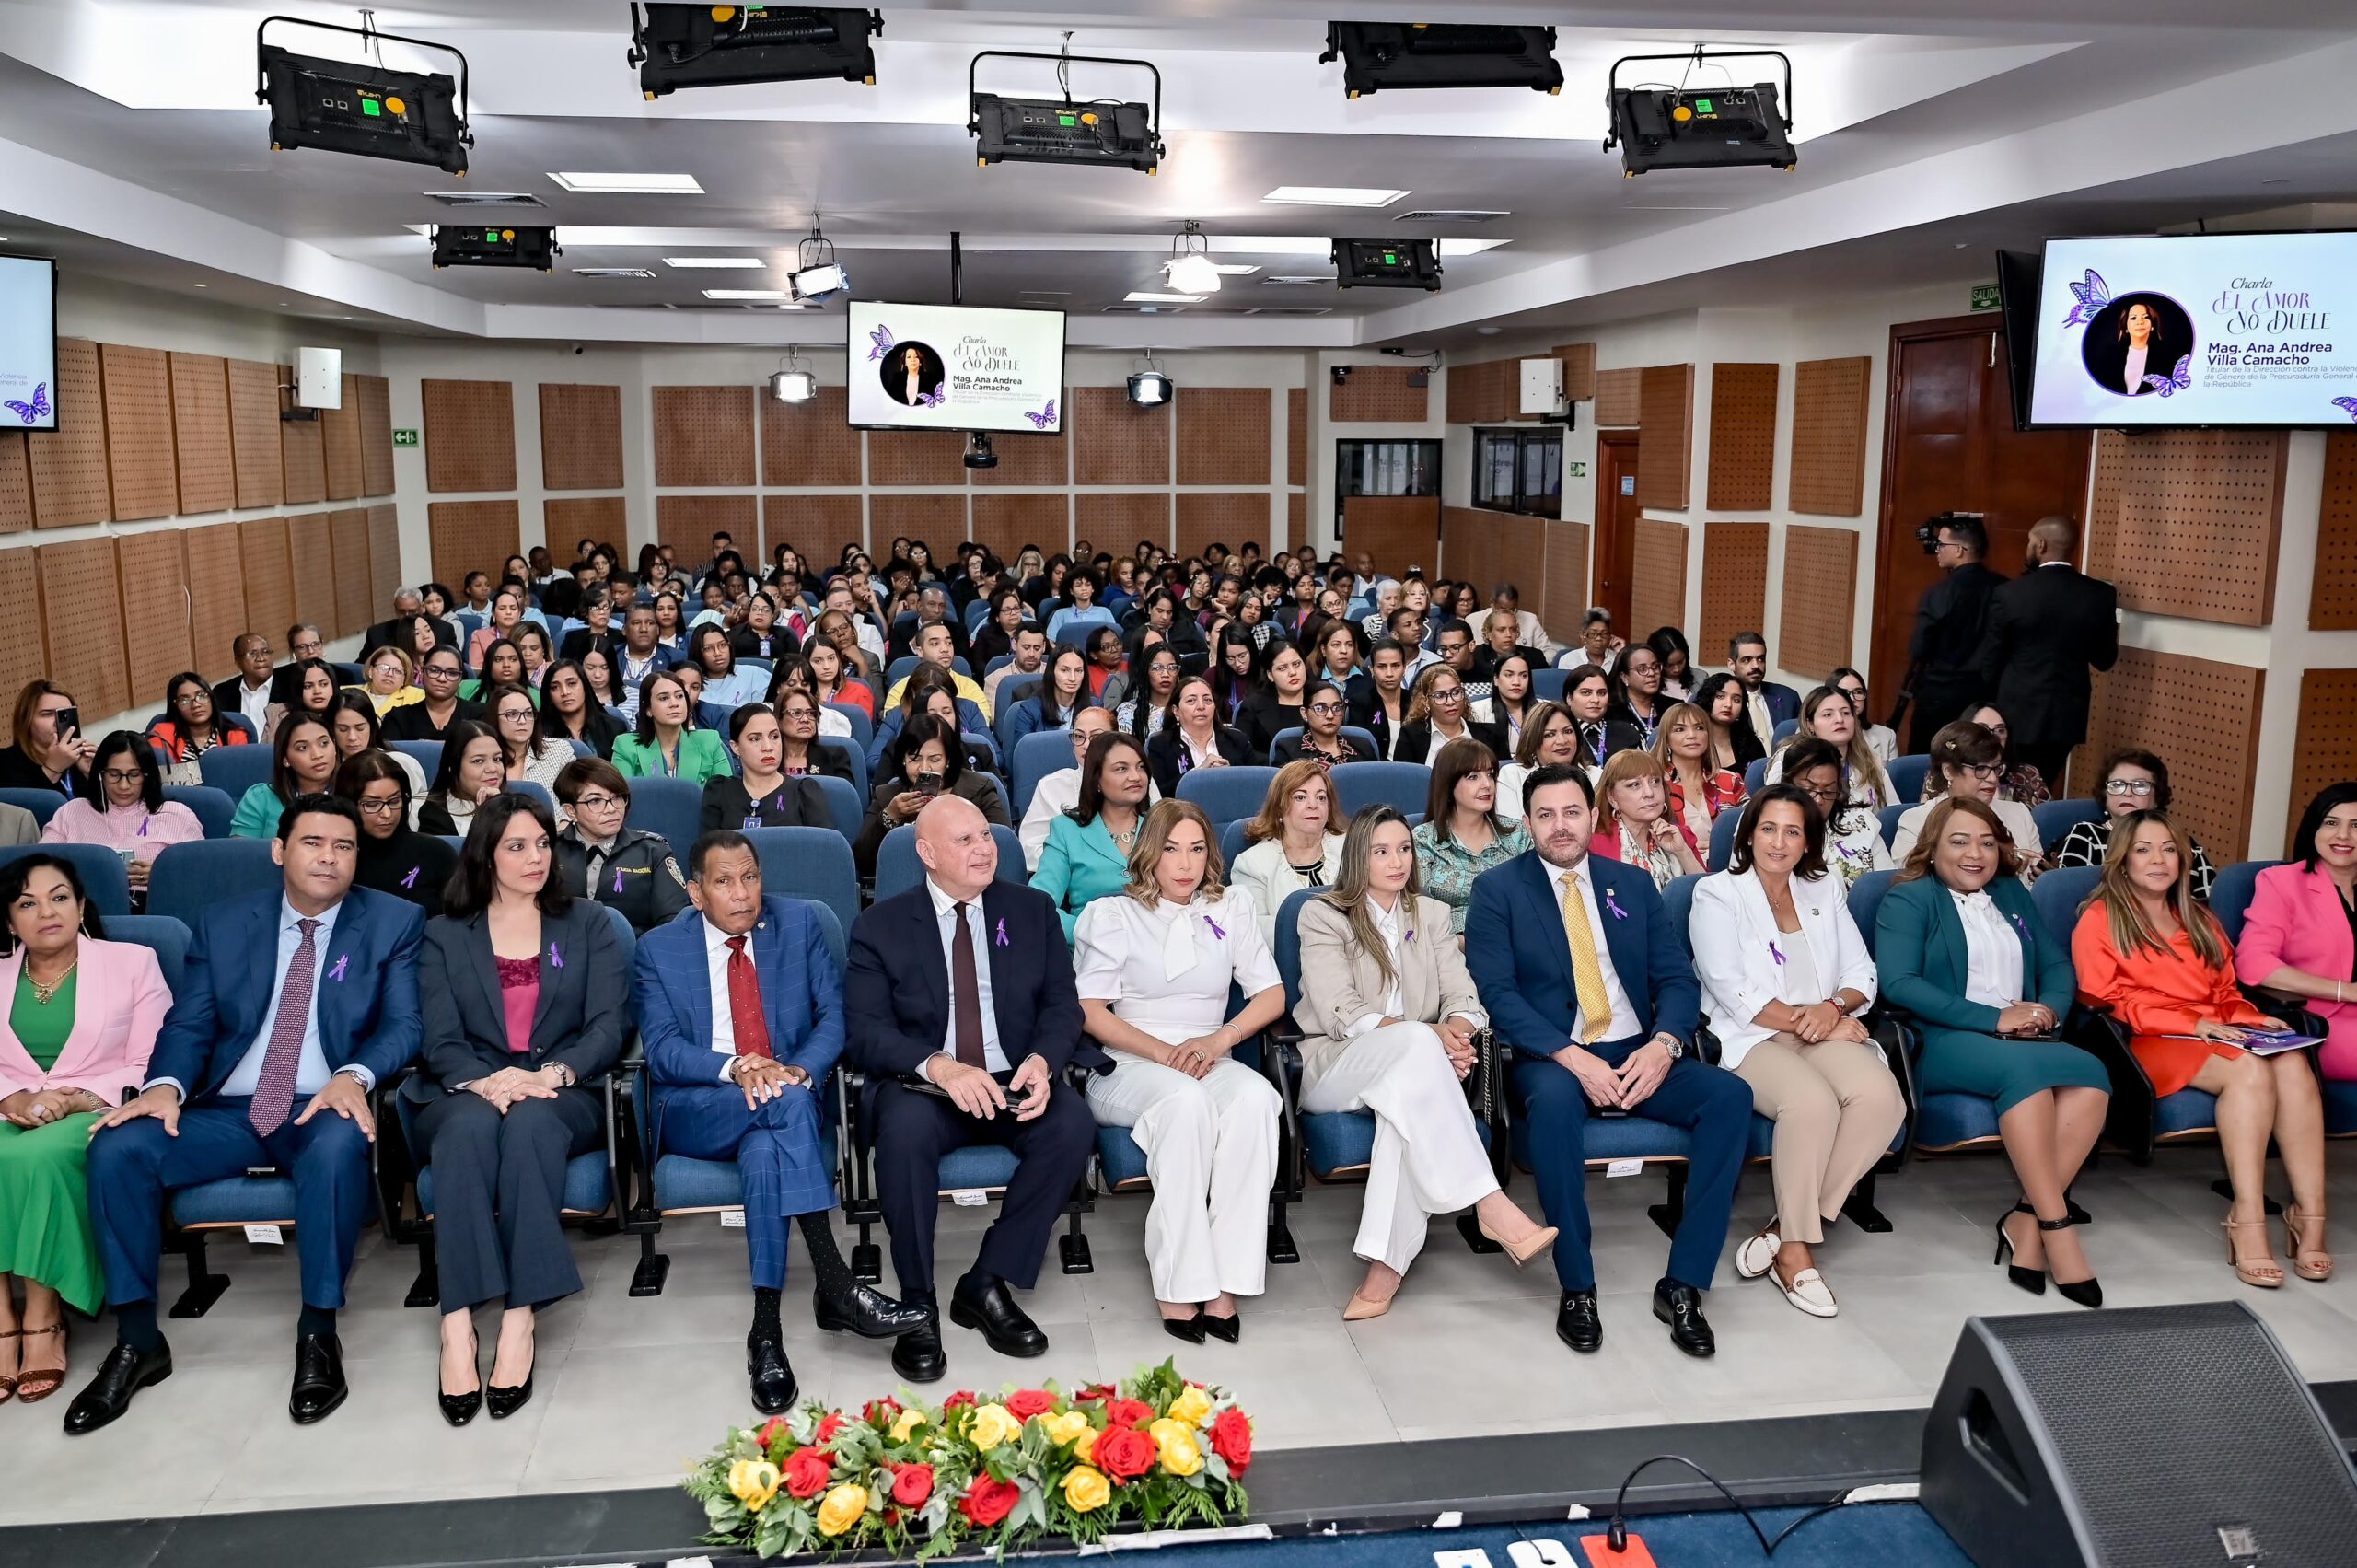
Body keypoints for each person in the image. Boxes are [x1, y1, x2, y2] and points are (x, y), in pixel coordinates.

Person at [66, 795, 423, 1434]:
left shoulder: (395, 921)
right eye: (314, 842)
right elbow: (191, 1022)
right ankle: (138, 1338)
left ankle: (317, 1331)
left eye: (344, 846)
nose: (330, 857)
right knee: (118, 1148)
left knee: (338, 1146)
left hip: (320, 1102)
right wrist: (166, 1084)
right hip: (228, 1108)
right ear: (279, 849)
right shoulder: (224, 922)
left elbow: (404, 1024)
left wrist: (353, 1074)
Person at [1464, 765, 1750, 1359]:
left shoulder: (1632, 885)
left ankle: (1685, 1284)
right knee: (1554, 1106)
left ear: (1593, 817)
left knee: (1730, 1097)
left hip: (1635, 1046)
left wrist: (1665, 1045)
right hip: (1551, 1051)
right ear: (1528, 824)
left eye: (1572, 813)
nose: (1560, 827)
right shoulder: (1498, 890)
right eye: (1545, 816)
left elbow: (1675, 978)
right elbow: (1499, 996)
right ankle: (1578, 1286)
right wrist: (1572, 1058)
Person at [636, 830, 926, 1410]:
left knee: (769, 1147)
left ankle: (765, 1331)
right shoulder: (659, 949)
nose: (742, 893)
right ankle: (837, 1287)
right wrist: (737, 1067)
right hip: (701, 1103)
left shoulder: (799, 924)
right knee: (784, 1104)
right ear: (696, 894)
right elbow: (663, 1049)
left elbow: (834, 1019)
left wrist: (796, 1071)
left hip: (783, 1096)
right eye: (723, 882)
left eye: (751, 876)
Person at [843, 796, 1105, 1382]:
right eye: (965, 840)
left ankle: (985, 1282)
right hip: (926, 1086)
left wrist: (1041, 1060)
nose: (984, 848)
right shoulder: (880, 926)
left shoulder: (1032, 910)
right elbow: (865, 1033)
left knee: (1069, 1125)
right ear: (927, 854)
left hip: (1011, 1078)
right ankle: (917, 1304)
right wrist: (939, 1066)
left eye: (986, 835)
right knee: (904, 1134)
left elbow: (1063, 1006)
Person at [405, 796, 624, 1424]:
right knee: (468, 1130)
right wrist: (487, 1081)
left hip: (562, 1089)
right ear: (485, 854)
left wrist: (548, 1073)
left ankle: (520, 1318)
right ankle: (456, 1326)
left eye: (542, 843)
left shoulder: (589, 921)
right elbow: (440, 1038)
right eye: (516, 845)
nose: (535, 857)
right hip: (467, 1088)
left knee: (530, 1123)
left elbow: (609, 1023)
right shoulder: (446, 933)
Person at [1295, 807, 1556, 1319]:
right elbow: (1340, 1011)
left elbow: (1463, 997)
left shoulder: (1431, 915)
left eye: (1405, 848)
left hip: (1412, 1068)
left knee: (1404, 1108)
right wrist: (1431, 1039)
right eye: (1381, 850)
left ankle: (1383, 1271)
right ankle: (1488, 1202)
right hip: (1336, 1065)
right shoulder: (1323, 914)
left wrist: (1454, 1037)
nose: (1397, 861)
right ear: (1357, 857)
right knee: (1415, 1050)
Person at [2073, 810, 2328, 1288]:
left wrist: (2252, 1019)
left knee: (2294, 1063)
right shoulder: (2100, 918)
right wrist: (2196, 1024)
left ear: (2183, 861)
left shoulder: (2199, 917)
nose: (2158, 860)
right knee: (2250, 1071)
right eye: (2143, 849)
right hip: (2147, 1040)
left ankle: (2309, 1215)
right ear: (2122, 860)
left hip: (2213, 1031)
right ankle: (2247, 1218)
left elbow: (2227, 993)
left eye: (2169, 849)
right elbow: (2108, 1000)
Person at [1876, 796, 2107, 1304]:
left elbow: (2057, 965)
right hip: (1943, 1038)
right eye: (1959, 841)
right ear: (1933, 847)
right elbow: (1899, 984)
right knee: (2025, 1077)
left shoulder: (2009, 892)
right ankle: (2057, 1228)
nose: (1974, 854)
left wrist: (2045, 1011)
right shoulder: (1909, 898)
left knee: (2091, 1074)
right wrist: (1995, 1019)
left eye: (1986, 842)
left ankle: (2026, 1219)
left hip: (2023, 1034)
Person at [1073, 801, 1284, 1342]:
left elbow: (1271, 994)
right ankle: (1178, 1282)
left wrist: (1220, 1039)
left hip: (1209, 1053)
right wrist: (1166, 1055)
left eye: (1196, 849)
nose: (1185, 864)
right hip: (1128, 1062)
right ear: (1151, 852)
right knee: (1184, 1104)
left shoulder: (1230, 905)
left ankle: (1226, 1280)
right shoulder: (1112, 914)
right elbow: (1092, 1013)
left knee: (1257, 1100)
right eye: (1171, 849)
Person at [1689, 786, 1903, 1318]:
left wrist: (1832, 1009)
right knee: (1810, 1104)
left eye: (1792, 831)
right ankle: (1796, 1255)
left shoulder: (1822, 887)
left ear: (1808, 841)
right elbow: (1729, 985)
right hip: (1752, 1035)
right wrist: (1817, 1025)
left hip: (1821, 1023)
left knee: (1882, 1099)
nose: (1778, 842)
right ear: (1748, 834)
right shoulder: (1716, 893)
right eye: (1767, 829)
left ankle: (1788, 1228)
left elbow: (1861, 973)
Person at [0, 854, 172, 1406]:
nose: (45, 911)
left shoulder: (133, 962)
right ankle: (3, 1316)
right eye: (26, 903)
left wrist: (76, 1098)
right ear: (8, 922)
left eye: (58, 897)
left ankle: (43, 1316)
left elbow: (154, 1057)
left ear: (80, 905)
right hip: (11, 1108)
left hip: (96, 1109)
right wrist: (12, 1098)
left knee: (33, 1159)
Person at [1977, 516, 2118, 785]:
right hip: (2066, 715)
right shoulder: (2100, 595)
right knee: (2044, 784)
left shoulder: (2010, 594)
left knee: (2008, 786)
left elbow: (1991, 663)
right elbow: (2105, 659)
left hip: (2016, 711)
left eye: (2030, 541)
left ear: (2040, 544)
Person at [2237, 784, 2357, 1082]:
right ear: (2313, 827)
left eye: (2356, 825)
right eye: (2331, 823)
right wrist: (2345, 990)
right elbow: (2254, 963)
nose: (2343, 835)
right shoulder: (2281, 883)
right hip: (2323, 1019)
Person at [42, 731, 203, 897]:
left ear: (147, 776)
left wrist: (163, 875)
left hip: (155, 905)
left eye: (134, 775)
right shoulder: (72, 812)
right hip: (86, 905)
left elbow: (199, 875)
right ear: (100, 775)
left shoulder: (177, 815)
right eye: (114, 775)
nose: (124, 786)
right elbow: (40, 867)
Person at [1031, 729, 1156, 942]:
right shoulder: (1066, 829)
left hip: (1158, 945)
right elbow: (1039, 905)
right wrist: (1088, 932)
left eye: (1141, 767)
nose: (1135, 776)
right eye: (1121, 769)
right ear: (1097, 779)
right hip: (1091, 949)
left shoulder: (1164, 823)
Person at [2049, 749, 2215, 897]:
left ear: (2157, 797)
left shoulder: (2182, 842)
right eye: (2117, 785)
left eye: (2140, 786)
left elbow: (2207, 902)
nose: (2128, 793)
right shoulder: (2085, 836)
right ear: (2105, 794)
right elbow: (2072, 899)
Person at [552, 759, 691, 934]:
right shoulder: (549, 851)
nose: (611, 809)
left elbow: (673, 922)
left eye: (617, 797)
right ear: (571, 811)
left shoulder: (652, 851)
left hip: (634, 954)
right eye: (595, 801)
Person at [1905, 516, 2005, 751]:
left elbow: (1919, 648)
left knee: (1928, 759)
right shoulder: (2005, 589)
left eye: (1941, 544)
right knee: (1977, 758)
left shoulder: (1939, 593)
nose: (1936, 549)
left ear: (1960, 550)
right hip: (1986, 696)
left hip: (1939, 695)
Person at [1411, 739, 1530, 937]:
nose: (1487, 785)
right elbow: (1418, 909)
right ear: (1448, 784)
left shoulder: (1517, 833)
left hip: (1517, 937)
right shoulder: (1424, 839)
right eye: (1473, 777)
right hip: (1450, 946)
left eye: (1490, 775)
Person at [1890, 722, 2042, 868]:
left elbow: (2035, 881)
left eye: (1996, 768)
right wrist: (2005, 866)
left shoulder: (2020, 814)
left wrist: (2038, 874)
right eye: (1981, 769)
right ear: (1948, 771)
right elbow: (1911, 880)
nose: (1993, 779)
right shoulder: (1915, 821)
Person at [1229, 761, 1346, 947]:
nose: (1313, 805)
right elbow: (1254, 933)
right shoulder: (1252, 864)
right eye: (1300, 797)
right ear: (1280, 808)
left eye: (1321, 798)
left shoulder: (1351, 846)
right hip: (1289, 967)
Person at [337, 750, 458, 919]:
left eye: (394, 801)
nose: (386, 813)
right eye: (372, 804)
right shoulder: (334, 859)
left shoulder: (437, 854)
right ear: (349, 804)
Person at [1588, 749, 1707, 891]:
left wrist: (1683, 851)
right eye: (1634, 785)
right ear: (1612, 797)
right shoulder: (1593, 844)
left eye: (1655, 781)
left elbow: (1709, 898)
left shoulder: (1682, 835)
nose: (1649, 793)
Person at [1782, 738, 1894, 889]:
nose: (1818, 800)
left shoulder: (1862, 823)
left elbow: (1887, 886)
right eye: (1808, 790)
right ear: (1788, 784)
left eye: (1828, 791)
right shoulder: (1764, 824)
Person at [702, 704, 830, 832]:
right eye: (755, 739)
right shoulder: (719, 791)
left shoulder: (803, 792)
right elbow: (708, 848)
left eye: (774, 737)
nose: (768, 747)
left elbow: (823, 848)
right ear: (736, 747)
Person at [1765, 686, 1897, 808]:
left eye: (1846, 713)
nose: (1839, 719)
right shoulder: (1789, 757)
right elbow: (1773, 809)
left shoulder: (1871, 761)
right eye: (1828, 714)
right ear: (1810, 724)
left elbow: (1892, 813)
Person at [1651, 701, 1746, 862]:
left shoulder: (1730, 780)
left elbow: (1753, 827)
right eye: (1680, 729)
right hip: (1674, 867)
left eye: (1699, 728)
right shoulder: (1653, 785)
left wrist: (1718, 845)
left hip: (1728, 865)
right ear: (1666, 740)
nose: (1692, 735)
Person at [231, 714, 340, 841]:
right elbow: (242, 855)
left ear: (335, 746)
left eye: (324, 743)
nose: (317, 754)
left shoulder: (355, 792)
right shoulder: (260, 798)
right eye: (302, 748)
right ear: (285, 759)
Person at [611, 671, 729, 786]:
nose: (674, 703)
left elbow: (725, 795)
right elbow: (622, 798)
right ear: (648, 709)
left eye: (679, 696)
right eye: (663, 698)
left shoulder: (710, 741)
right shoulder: (625, 746)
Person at [1144, 674, 1253, 797]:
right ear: (1176, 711)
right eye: (1191, 700)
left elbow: (1254, 786)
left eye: (1207, 700)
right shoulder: (1160, 744)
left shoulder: (1237, 740)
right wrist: (1197, 775)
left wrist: (1230, 775)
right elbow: (1159, 794)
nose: (1201, 706)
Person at [147, 671, 252, 785]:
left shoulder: (235, 735)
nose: (196, 705)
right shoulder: (162, 735)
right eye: (185, 700)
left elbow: (239, 776)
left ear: (211, 697)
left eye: (201, 696)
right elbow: (163, 779)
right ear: (175, 706)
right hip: (179, 799)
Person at [0, 681, 95, 797]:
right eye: (47, 714)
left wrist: (94, 775)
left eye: (64, 714)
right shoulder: (5, 763)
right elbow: (24, 810)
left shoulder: (82, 759)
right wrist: (53, 769)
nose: (57, 722)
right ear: (26, 721)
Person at [1947, 703, 2050, 808]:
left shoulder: (2027, 774)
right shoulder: (1950, 770)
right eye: (1982, 729)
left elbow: (2045, 819)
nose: (1993, 736)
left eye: (2000, 730)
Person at [1495, 701, 1579, 830]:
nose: (1562, 741)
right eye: (1549, 734)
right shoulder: (1511, 777)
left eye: (1568, 731)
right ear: (1533, 741)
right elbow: (1514, 833)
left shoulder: (1596, 776)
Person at [416, 721, 506, 840]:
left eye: (497, 759)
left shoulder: (519, 808)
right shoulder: (427, 814)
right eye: (478, 761)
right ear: (453, 766)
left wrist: (501, 807)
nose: (493, 769)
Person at [1395, 666, 1503, 765]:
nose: (1450, 702)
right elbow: (1405, 782)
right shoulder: (1411, 736)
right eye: (1440, 696)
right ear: (1426, 701)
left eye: (1456, 693)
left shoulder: (1493, 735)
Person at [486, 683, 573, 797]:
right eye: (512, 714)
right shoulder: (484, 761)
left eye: (528, 713)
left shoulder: (560, 751)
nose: (522, 721)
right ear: (495, 718)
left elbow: (576, 802)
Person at [1000, 645, 1092, 751]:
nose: (1072, 678)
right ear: (1052, 672)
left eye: (1078, 671)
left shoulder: (1095, 708)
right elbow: (1023, 756)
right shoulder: (1030, 710)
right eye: (1064, 670)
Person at [382, 646, 481, 745]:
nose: (442, 679)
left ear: (460, 678)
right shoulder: (398, 717)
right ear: (422, 672)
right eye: (434, 670)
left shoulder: (478, 715)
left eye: (452, 673)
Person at [1560, 664, 1642, 772]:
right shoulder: (1560, 736)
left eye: (1601, 693)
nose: (1595, 699)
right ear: (1569, 698)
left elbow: (1647, 770)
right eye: (1586, 693)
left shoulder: (1627, 731)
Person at [1727, 633, 1797, 758]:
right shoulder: (1719, 701)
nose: (1756, 666)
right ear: (1731, 664)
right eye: (1747, 660)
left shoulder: (1788, 698)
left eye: (1760, 659)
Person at [1238, 642, 1311, 759]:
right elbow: (1243, 753)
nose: (1292, 672)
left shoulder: (1322, 698)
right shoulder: (1252, 706)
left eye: (1297, 664)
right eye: (1282, 668)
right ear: (1270, 675)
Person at [538, 658, 621, 761]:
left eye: (572, 683)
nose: (565, 692)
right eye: (555, 687)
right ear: (549, 696)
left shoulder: (614, 729)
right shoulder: (538, 734)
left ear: (585, 687)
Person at [1690, 672, 1765, 776]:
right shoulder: (1692, 741)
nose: (1728, 704)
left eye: (1736, 700)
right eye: (1720, 696)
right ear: (1707, 699)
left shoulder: (1752, 744)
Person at [1111, 642, 1182, 744]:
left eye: (1172, 668)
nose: (1166, 674)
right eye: (1157, 668)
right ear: (1146, 672)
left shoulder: (1187, 709)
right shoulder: (1128, 712)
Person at [261, 658, 342, 749]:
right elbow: (264, 757)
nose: (317, 691)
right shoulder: (277, 716)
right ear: (298, 690)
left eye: (323, 684)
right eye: (307, 686)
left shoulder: (346, 714)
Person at [214, 633, 282, 738]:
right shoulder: (222, 693)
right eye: (253, 654)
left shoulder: (289, 687)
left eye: (265, 652)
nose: (261, 658)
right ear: (237, 661)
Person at [1828, 668, 1899, 767]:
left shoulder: (1887, 736)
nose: (1852, 699)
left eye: (1858, 692)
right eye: (1845, 693)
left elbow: (1890, 780)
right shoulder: (1812, 731)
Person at [1473, 649, 1538, 755]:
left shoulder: (1544, 708)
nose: (1516, 682)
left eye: (1523, 675)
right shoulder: (1478, 711)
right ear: (1496, 679)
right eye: (1509, 675)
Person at [1609, 642, 1670, 748]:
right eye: (1642, 669)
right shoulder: (1611, 713)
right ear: (1624, 677)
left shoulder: (1672, 708)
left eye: (1655, 667)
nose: (1651, 673)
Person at [1046, 567, 1117, 645]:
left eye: (1088, 584)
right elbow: (1051, 641)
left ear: (1093, 588)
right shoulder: (1060, 614)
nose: (1084, 588)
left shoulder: (1105, 612)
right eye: (1078, 585)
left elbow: (1114, 638)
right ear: (1071, 591)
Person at [465, 589, 528, 671]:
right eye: (502, 608)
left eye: (513, 608)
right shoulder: (479, 636)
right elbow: (476, 671)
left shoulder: (528, 636)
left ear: (519, 614)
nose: (508, 612)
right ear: (494, 614)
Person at [357, 645, 422, 721]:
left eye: (398, 671)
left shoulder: (418, 696)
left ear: (404, 678)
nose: (390, 674)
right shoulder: (347, 694)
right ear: (370, 670)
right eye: (384, 668)